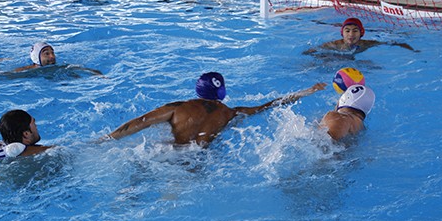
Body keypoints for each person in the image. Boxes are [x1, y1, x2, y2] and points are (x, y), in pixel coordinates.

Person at [100, 72, 326, 147]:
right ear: (222, 93)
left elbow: (138, 123)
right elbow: (272, 105)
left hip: (167, 155)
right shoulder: (231, 113)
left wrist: (105, 139)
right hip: (199, 161)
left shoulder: (177, 108)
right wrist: (308, 91)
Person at [304, 18, 417, 55]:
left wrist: (412, 48)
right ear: (342, 33)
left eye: (355, 31)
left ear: (361, 33)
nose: (351, 34)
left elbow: (393, 43)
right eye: (347, 31)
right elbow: (312, 51)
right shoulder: (334, 45)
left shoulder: (366, 44)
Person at [12, 42, 103, 75]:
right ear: (36, 58)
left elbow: (79, 68)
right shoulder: (24, 71)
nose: (52, 56)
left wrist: (96, 73)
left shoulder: (59, 67)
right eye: (46, 54)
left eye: (53, 52)